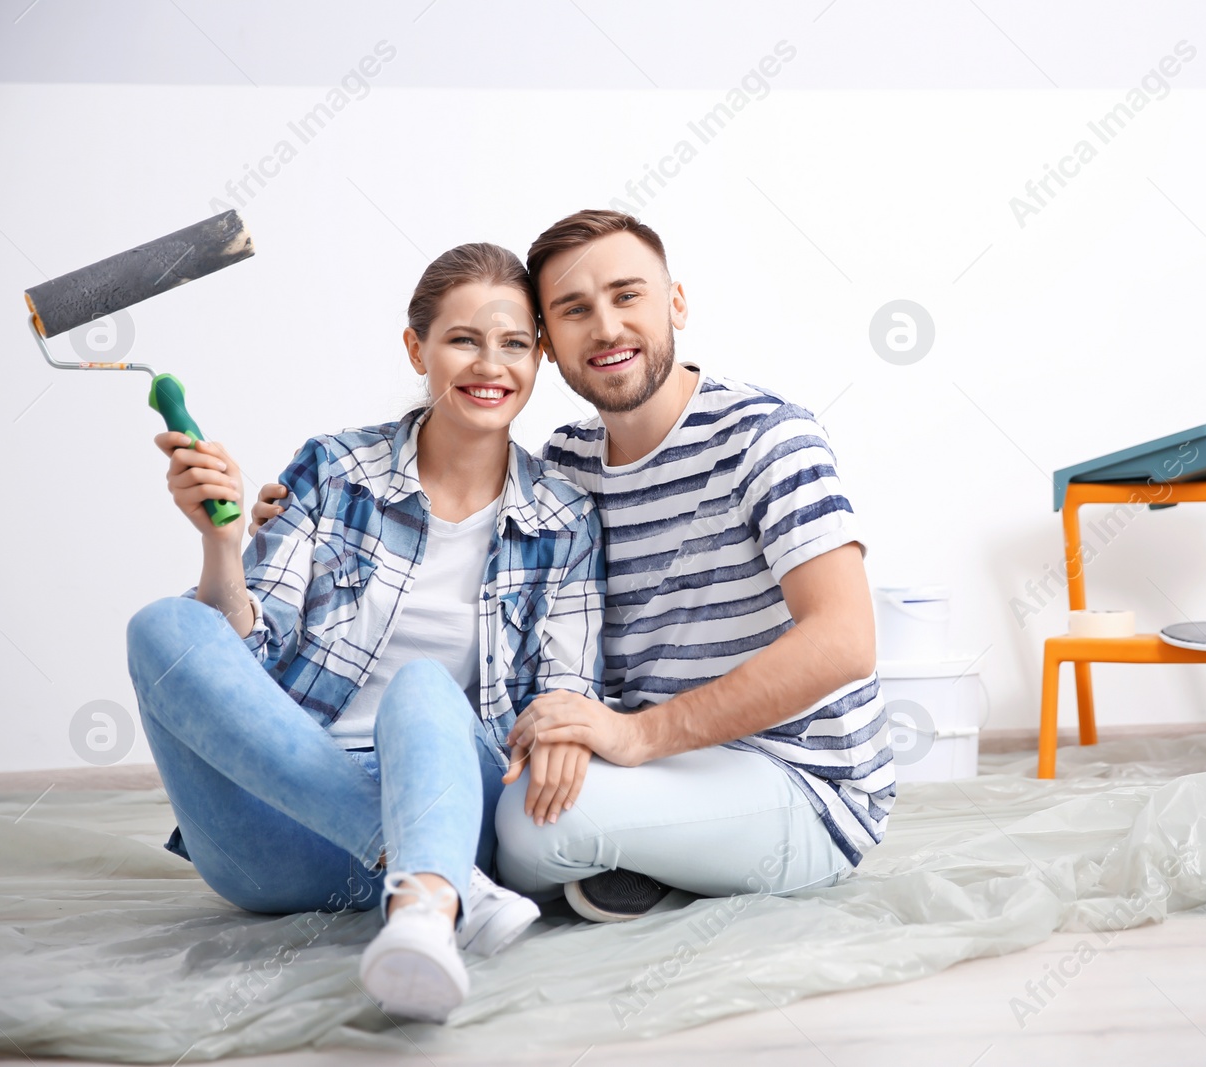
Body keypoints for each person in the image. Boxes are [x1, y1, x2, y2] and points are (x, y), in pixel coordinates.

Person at [252, 212, 894, 924]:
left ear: (675, 302)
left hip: (801, 778)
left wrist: (638, 735)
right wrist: (304, 524)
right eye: (575, 311)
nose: (608, 328)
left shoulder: (768, 436)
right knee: (521, 807)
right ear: (550, 345)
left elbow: (844, 639)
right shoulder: (567, 467)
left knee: (527, 832)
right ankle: (642, 858)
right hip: (652, 766)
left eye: (628, 296)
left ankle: (633, 854)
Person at [124, 242, 603, 1023]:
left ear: (540, 358)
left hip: (453, 810)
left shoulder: (566, 517)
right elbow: (247, 655)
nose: (491, 364)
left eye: (515, 343)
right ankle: (434, 885)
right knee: (163, 625)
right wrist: (220, 544)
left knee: (422, 686)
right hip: (279, 835)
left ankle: (421, 912)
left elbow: (565, 700)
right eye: (462, 339)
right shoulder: (332, 469)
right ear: (417, 348)